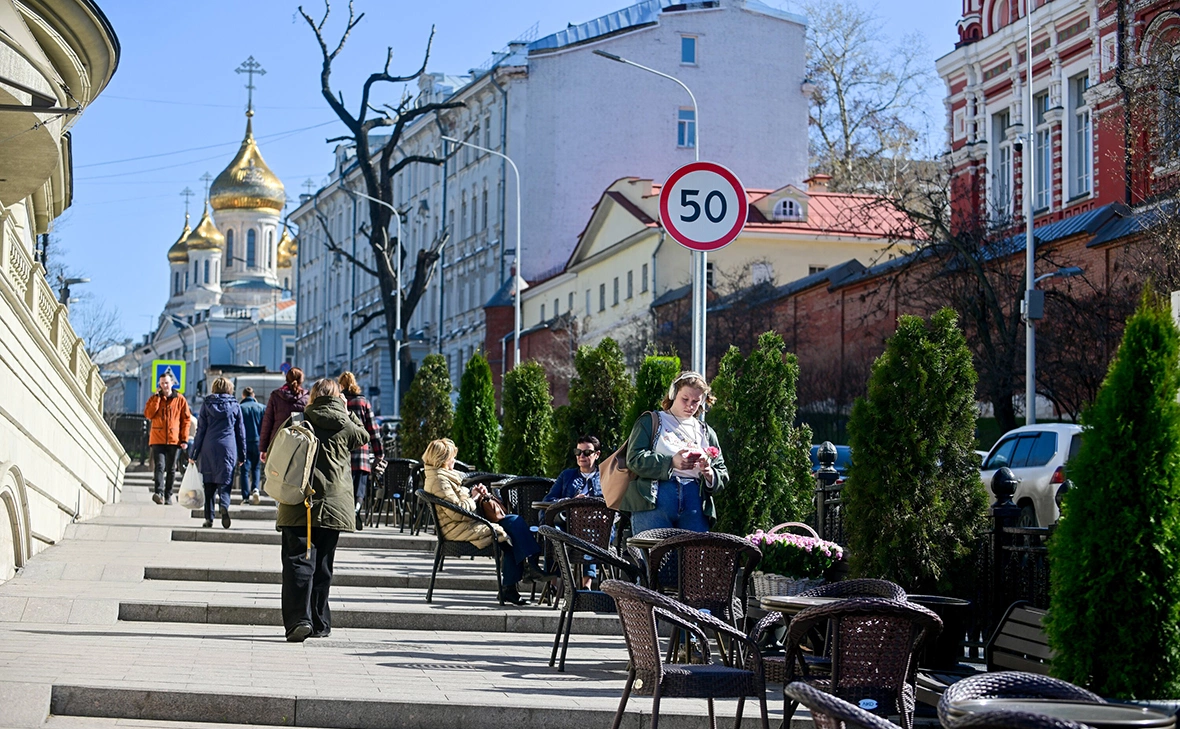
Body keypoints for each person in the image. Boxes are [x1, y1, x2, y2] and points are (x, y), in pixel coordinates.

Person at [277, 378, 369, 642]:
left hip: (297, 501)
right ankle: (320, 622)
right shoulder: (345, 425)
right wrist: (347, 409)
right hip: (332, 505)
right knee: (323, 565)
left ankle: (298, 621)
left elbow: (277, 451)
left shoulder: (298, 419)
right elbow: (363, 436)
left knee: (297, 561)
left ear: (313, 396)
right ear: (338, 397)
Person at [422, 438, 545, 606]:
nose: (454, 461)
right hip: (458, 528)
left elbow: (457, 501)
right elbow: (457, 512)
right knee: (510, 532)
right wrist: (475, 497)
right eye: (452, 457)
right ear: (442, 459)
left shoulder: (442, 476)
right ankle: (524, 574)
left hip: (467, 523)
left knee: (514, 522)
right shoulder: (439, 480)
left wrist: (474, 492)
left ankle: (524, 574)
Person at [620, 371, 729, 533]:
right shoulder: (652, 421)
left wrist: (708, 473)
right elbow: (634, 458)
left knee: (693, 557)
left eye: (696, 401)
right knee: (654, 556)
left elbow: (722, 472)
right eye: (685, 399)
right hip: (655, 499)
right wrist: (671, 462)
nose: (690, 406)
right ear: (673, 394)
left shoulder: (706, 431)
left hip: (695, 502)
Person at [543, 435, 604, 589]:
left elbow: (612, 505)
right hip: (567, 525)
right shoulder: (567, 475)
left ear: (597, 454)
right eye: (578, 452)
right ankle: (553, 582)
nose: (581, 456)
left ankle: (586, 585)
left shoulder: (604, 477)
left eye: (587, 453)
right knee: (552, 532)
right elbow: (549, 500)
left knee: (589, 533)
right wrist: (570, 502)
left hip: (595, 525)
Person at [190, 377, 246, 529]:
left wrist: (193, 454)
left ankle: (209, 519)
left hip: (208, 447)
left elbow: (200, 430)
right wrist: (242, 454)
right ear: (229, 388)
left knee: (209, 485)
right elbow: (240, 432)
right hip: (228, 447)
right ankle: (224, 505)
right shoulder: (235, 405)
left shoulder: (207, 404)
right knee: (225, 482)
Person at [338, 371, 383, 531]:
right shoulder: (363, 402)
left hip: (342, 452)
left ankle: (346, 514)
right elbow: (373, 430)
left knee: (344, 485)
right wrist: (379, 453)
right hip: (361, 452)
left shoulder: (337, 402)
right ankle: (357, 508)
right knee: (360, 487)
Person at [144, 371, 191, 505]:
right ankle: (158, 493)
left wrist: (184, 439)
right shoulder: (154, 398)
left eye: (166, 383)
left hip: (174, 439)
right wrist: (157, 399)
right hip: (157, 439)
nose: (164, 386)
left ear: (172, 383)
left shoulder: (180, 399)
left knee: (171, 469)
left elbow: (186, 420)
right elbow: (148, 414)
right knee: (159, 466)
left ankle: (168, 494)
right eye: (162, 383)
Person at [260, 368, 308, 462]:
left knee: (276, 473)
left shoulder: (276, 395)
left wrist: (264, 449)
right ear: (301, 380)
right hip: (299, 442)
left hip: (277, 441)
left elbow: (267, 422)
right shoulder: (307, 398)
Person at [239, 387, 265, 505]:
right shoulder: (262, 408)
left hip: (244, 442)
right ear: (253, 395)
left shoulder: (240, 408)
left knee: (244, 469)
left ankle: (245, 497)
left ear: (243, 395)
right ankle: (255, 489)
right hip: (258, 442)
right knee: (256, 467)